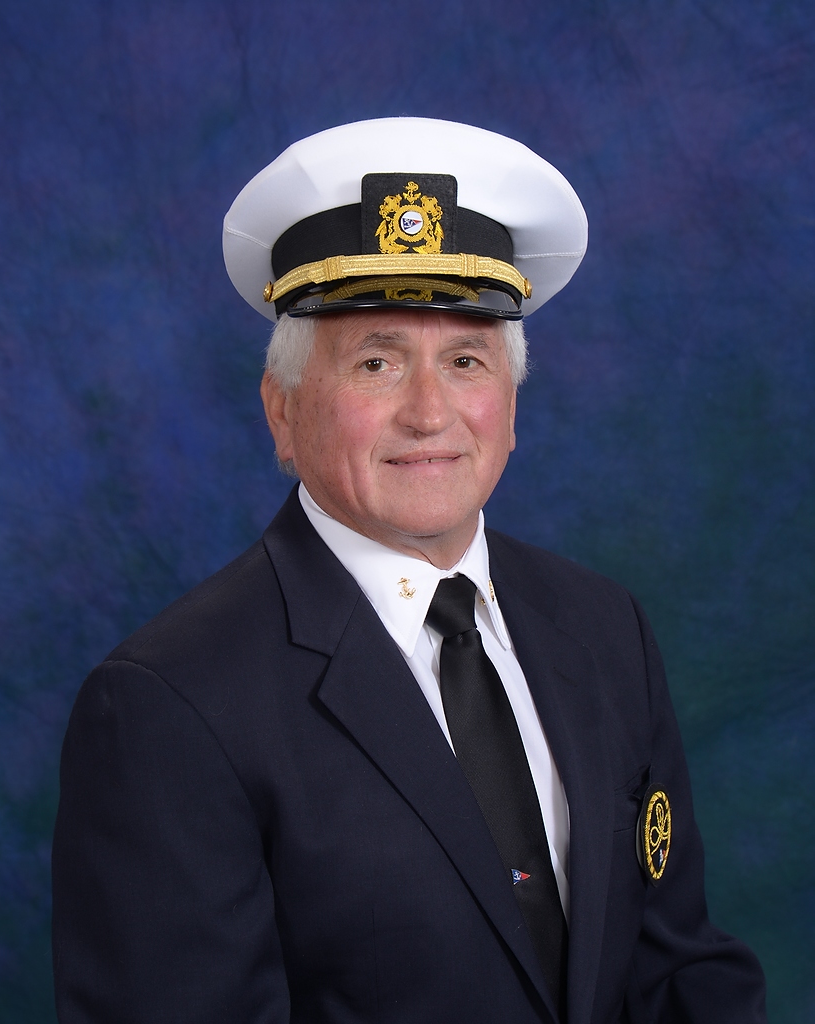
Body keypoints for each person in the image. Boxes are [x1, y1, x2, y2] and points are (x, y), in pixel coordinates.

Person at [51, 117, 766, 1024]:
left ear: (510, 407)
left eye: (466, 360)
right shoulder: (168, 705)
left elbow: (680, 968)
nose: (430, 413)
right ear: (282, 410)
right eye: (377, 362)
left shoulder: (603, 629)